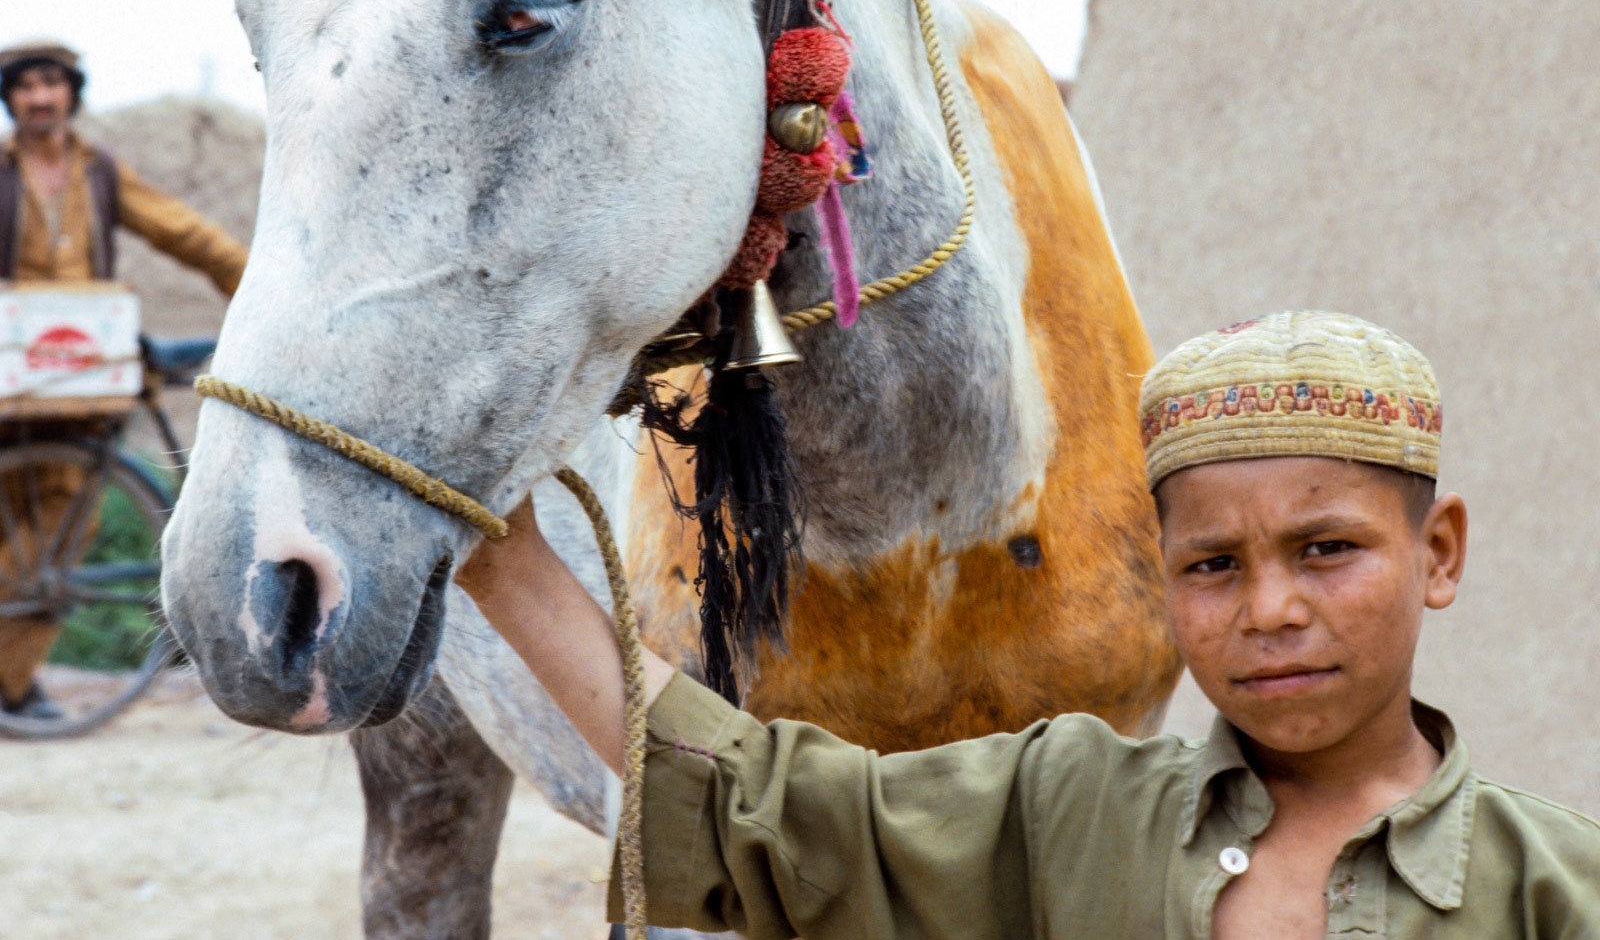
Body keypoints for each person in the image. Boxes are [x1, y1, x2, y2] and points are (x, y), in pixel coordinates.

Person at [456, 310, 1600, 938]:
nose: (1271, 610)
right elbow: (751, 806)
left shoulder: (1555, 884)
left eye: (1327, 549)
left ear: (1437, 551)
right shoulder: (1065, 811)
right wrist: (508, 567)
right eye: (1212, 564)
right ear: (1163, 578)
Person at [0, 41, 248, 720]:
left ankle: (13, 681)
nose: (41, 98)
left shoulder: (98, 170)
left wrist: (251, 284)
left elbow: (182, 231)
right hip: (10, 372)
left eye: (53, 85)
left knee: (61, 530)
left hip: (84, 375)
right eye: (27, 87)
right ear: (11, 98)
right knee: (15, 530)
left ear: (71, 94)